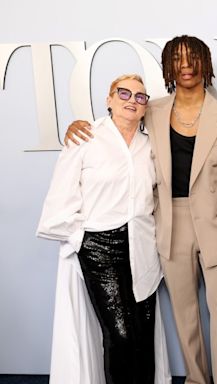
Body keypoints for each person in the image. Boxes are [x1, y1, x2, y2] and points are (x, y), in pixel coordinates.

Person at [65, 36, 217, 384]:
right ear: (169, 67)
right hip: (168, 222)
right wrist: (77, 126)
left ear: (205, 64)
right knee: (184, 312)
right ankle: (195, 378)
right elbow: (119, 124)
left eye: (193, 58)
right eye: (177, 59)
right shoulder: (154, 109)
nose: (186, 65)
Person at [37, 74, 170, 383]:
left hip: (143, 246)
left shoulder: (150, 145)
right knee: (120, 335)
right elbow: (59, 201)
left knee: (142, 333)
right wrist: (83, 238)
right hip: (100, 248)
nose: (131, 100)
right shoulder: (85, 138)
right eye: (123, 93)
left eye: (140, 97)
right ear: (109, 99)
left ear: (145, 107)